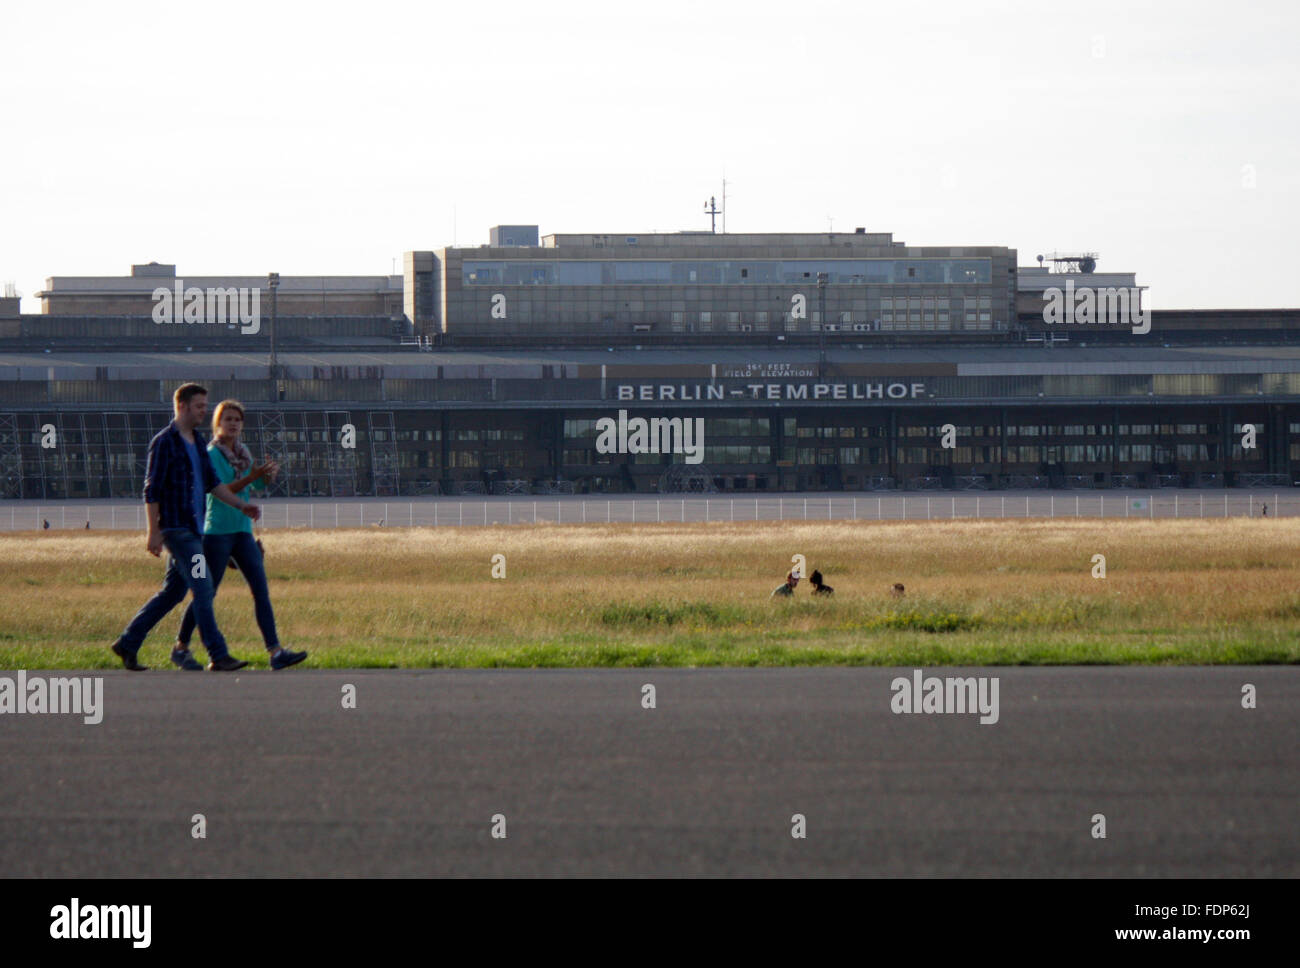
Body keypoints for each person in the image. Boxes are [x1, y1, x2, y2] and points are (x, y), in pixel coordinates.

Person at [109, 383, 261, 672]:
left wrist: (242, 505)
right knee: (203, 588)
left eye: (205, 406)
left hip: (194, 529)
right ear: (182, 406)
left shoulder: (197, 441)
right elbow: (151, 490)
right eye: (200, 406)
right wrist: (153, 532)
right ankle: (218, 653)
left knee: (173, 593)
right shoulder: (164, 442)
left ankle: (128, 642)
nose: (205, 411)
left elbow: (214, 484)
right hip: (177, 531)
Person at [173, 399, 306, 671]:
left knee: (261, 590)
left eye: (237, 419)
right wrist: (252, 476)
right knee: (207, 592)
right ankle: (181, 646)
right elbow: (222, 488)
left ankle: (276, 651)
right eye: (227, 419)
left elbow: (257, 483)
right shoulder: (211, 453)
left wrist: (267, 475)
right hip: (217, 532)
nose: (233, 424)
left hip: (243, 531)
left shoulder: (243, 453)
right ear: (217, 424)